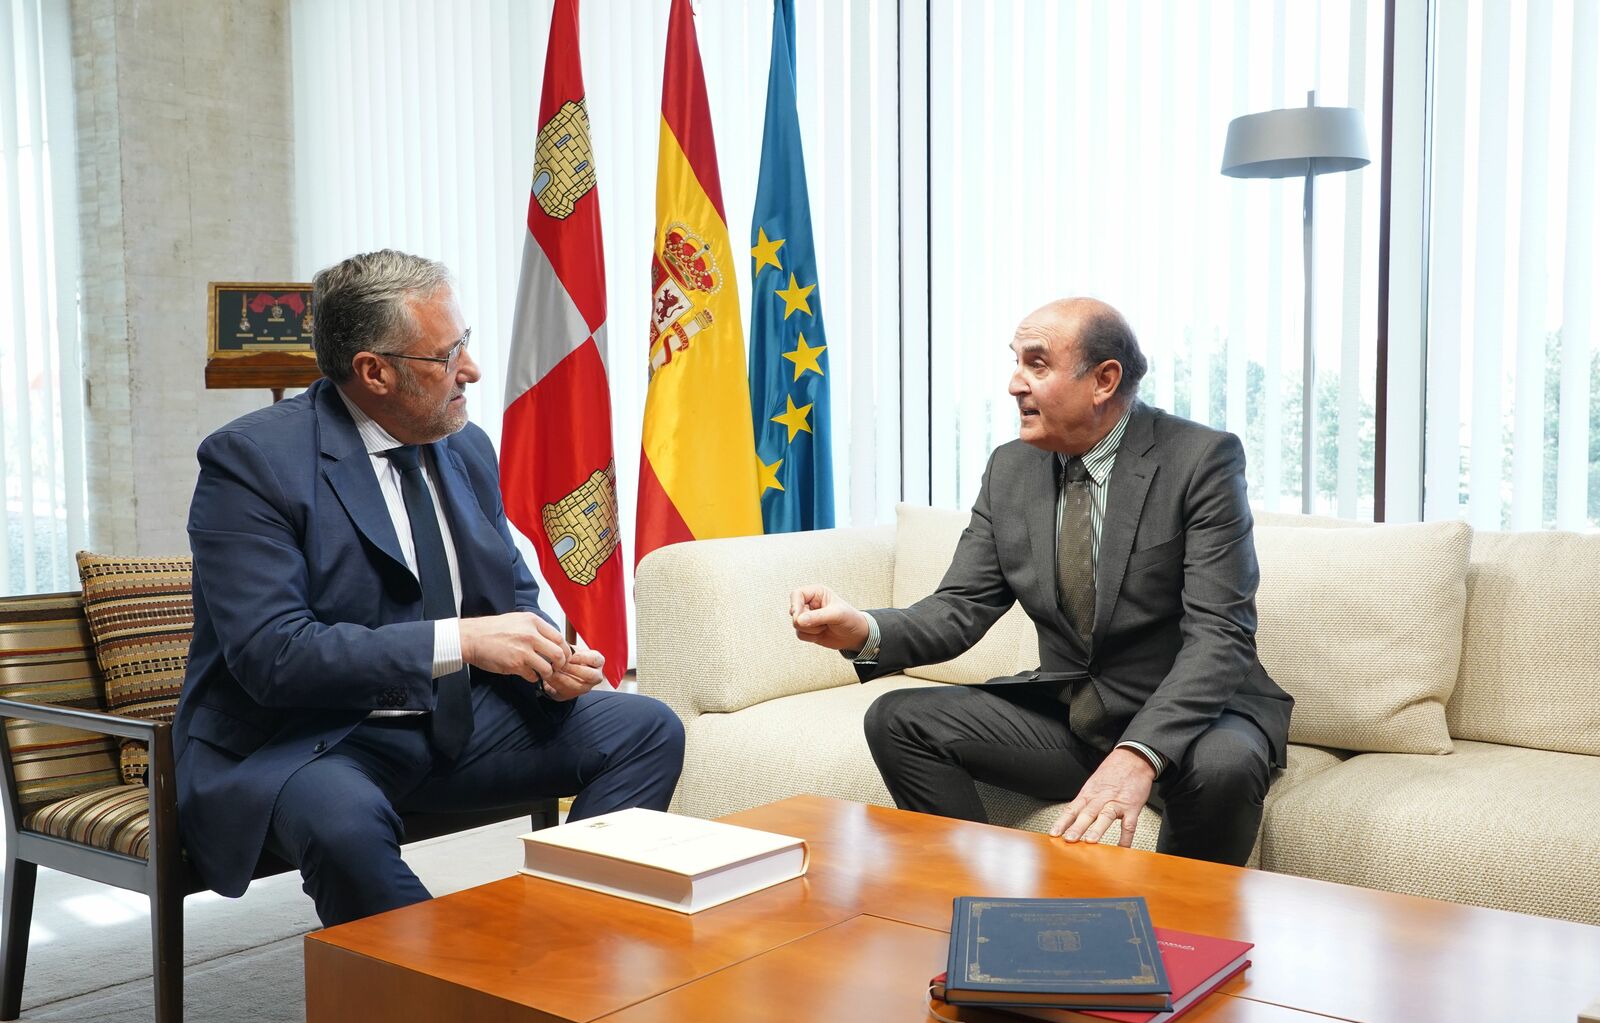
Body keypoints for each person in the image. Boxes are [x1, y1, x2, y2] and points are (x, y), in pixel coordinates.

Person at [175, 250, 684, 924]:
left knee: (647, 729)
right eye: (445, 357)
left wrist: (546, 664)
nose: (470, 370)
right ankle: (454, 1003)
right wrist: (463, 641)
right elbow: (275, 656)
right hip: (307, 740)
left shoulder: (463, 445)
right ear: (373, 371)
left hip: (448, 723)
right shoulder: (251, 462)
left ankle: (565, 940)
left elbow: (508, 593)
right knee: (342, 826)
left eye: (463, 344)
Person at [789, 297, 1291, 865]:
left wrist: (1140, 753)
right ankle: (982, 911)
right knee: (899, 719)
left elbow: (1220, 635)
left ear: (1104, 380)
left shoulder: (1200, 460)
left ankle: (1179, 943)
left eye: (1037, 364)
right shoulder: (1010, 469)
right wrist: (863, 629)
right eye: (1016, 362)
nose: (1013, 384)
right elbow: (960, 607)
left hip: (1199, 720)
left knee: (1224, 768)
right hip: (1077, 714)